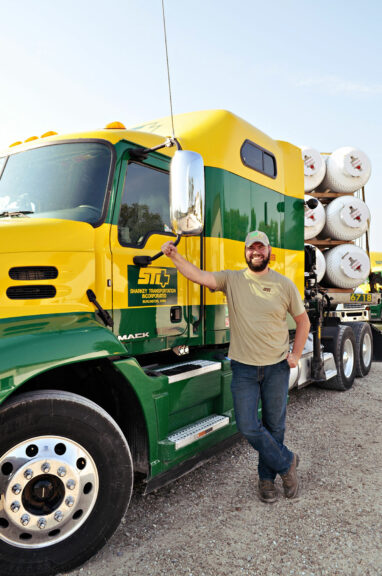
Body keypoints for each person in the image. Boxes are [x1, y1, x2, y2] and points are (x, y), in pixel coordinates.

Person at [162, 230, 310, 503]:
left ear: (268, 252)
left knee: (275, 426)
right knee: (247, 425)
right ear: (245, 252)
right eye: (251, 248)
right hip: (243, 368)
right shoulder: (232, 279)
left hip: (276, 367)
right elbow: (199, 275)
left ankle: (266, 481)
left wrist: (295, 353)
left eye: (261, 248)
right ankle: (287, 462)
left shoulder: (284, 284)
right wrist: (175, 256)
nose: (256, 252)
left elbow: (303, 321)